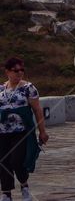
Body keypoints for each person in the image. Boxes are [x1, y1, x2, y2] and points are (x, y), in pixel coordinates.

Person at [1, 57, 47, 201]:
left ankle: (24, 185)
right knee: (3, 161)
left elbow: (37, 110)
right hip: (2, 132)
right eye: (16, 70)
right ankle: (6, 193)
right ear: (7, 71)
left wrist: (43, 131)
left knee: (17, 160)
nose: (19, 73)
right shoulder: (1, 89)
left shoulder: (28, 88)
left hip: (21, 131)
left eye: (22, 70)